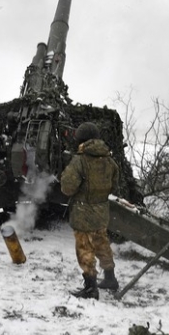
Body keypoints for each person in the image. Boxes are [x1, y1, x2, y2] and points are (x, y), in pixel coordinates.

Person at [60, 121, 121, 300]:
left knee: (84, 248)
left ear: (81, 139)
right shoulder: (109, 160)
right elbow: (114, 185)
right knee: (102, 243)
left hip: (83, 212)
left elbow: (67, 188)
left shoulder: (79, 160)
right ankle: (110, 278)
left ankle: (90, 288)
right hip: (102, 211)